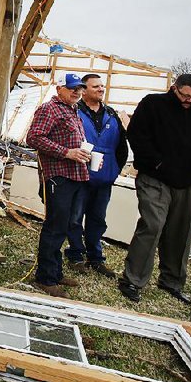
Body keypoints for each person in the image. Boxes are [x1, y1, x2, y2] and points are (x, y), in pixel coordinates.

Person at [119, 74, 191, 304]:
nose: (190, 100)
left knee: (181, 231)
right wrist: (156, 163)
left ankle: (172, 281)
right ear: (174, 88)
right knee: (152, 225)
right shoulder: (153, 104)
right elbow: (137, 136)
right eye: (185, 95)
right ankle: (132, 280)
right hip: (155, 178)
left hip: (188, 182)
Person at [26, 73, 91, 298]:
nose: (77, 92)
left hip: (74, 176)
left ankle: (55, 271)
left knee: (63, 226)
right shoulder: (50, 109)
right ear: (59, 89)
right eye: (72, 88)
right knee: (54, 227)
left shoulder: (73, 110)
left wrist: (83, 154)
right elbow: (33, 138)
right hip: (58, 177)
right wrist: (67, 152)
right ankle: (45, 278)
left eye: (80, 89)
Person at [67, 74, 128, 278]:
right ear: (84, 90)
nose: (101, 89)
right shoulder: (75, 112)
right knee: (75, 218)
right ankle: (76, 254)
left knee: (97, 219)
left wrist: (114, 170)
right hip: (80, 176)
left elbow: (121, 148)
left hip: (104, 179)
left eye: (102, 86)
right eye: (96, 86)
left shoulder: (111, 114)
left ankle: (95, 257)